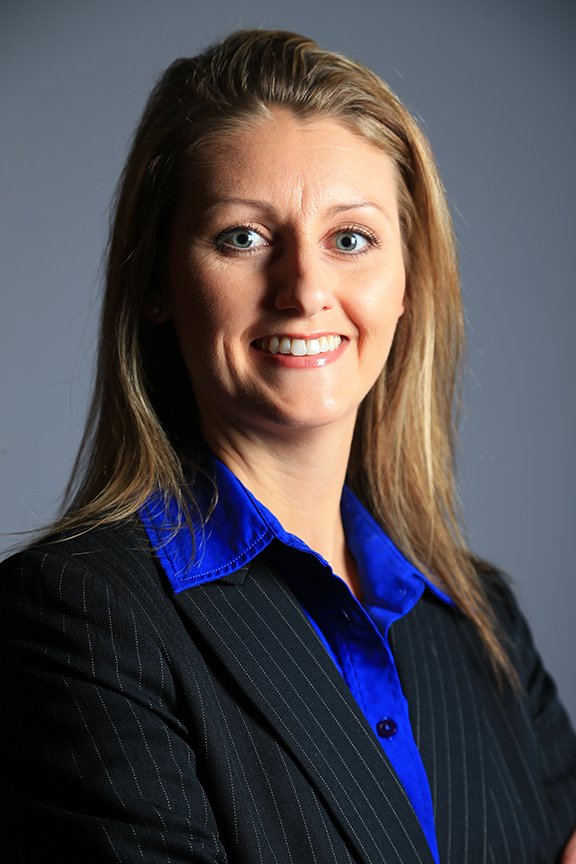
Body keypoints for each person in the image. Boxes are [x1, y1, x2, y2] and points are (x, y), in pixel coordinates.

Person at [1, 29, 575, 864]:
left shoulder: (482, 617)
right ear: (158, 282)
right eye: (243, 237)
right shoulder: (74, 619)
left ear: (408, 279)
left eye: (352, 239)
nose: (305, 289)